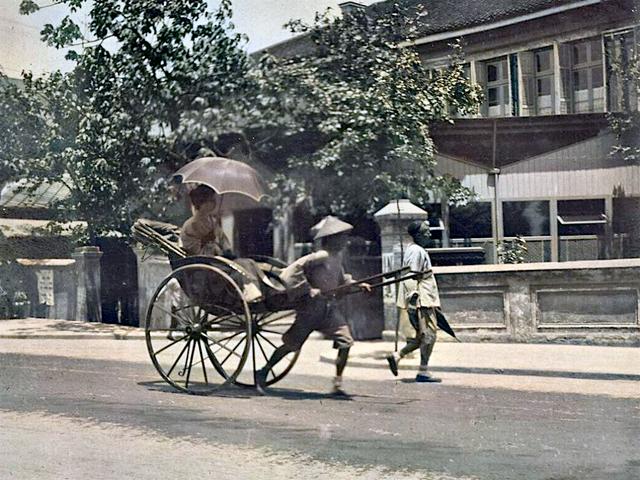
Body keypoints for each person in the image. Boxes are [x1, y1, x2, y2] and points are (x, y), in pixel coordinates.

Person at [255, 216, 370, 397]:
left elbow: (341, 281)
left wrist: (358, 285)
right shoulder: (320, 256)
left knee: (345, 341)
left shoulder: (336, 258)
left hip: (328, 309)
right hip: (310, 309)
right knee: (292, 344)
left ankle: (337, 383)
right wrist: (308, 289)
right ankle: (263, 371)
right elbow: (293, 270)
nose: (344, 241)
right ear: (331, 238)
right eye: (341, 237)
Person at [386, 220, 442, 383]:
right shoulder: (417, 251)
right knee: (429, 335)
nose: (429, 234)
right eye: (426, 232)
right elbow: (411, 277)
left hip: (423, 299)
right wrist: (413, 300)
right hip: (422, 300)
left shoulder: (415, 250)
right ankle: (423, 372)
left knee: (423, 336)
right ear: (418, 235)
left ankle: (398, 356)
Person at [180, 184, 232, 258]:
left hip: (218, 256)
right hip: (203, 260)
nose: (214, 203)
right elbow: (191, 248)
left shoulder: (213, 221)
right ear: (200, 202)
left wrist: (226, 249)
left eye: (214, 200)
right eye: (211, 200)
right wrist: (205, 240)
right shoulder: (191, 225)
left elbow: (222, 239)